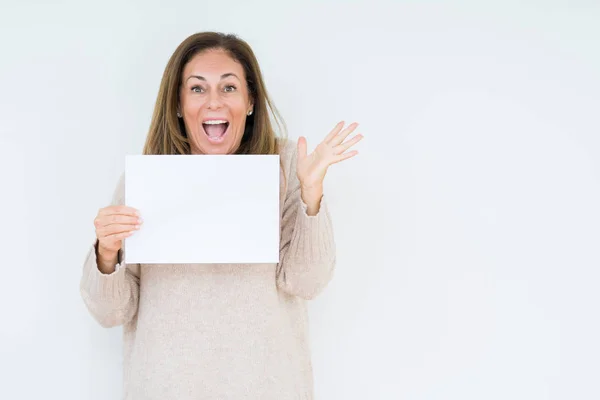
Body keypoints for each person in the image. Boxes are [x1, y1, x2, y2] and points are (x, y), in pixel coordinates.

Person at [79, 31, 362, 399]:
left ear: (249, 102)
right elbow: (110, 312)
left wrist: (311, 194)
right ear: (178, 104)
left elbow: (308, 283)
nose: (214, 101)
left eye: (228, 88)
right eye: (197, 89)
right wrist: (106, 252)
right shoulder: (145, 180)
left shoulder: (289, 165)